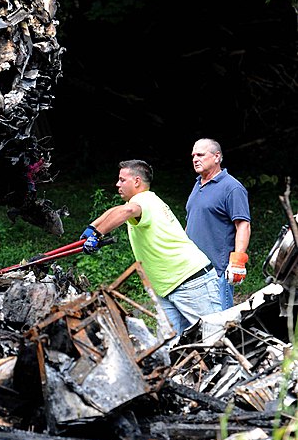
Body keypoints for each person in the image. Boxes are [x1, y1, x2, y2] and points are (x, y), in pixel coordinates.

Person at [80, 159, 222, 335]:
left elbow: (126, 212)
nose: (117, 184)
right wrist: (93, 228)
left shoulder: (143, 201)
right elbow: (117, 210)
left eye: (122, 180)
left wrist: (98, 235)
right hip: (168, 288)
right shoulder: (145, 201)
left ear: (137, 181)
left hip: (190, 282)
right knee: (173, 347)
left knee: (214, 339)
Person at [186, 138, 251, 310]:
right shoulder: (198, 184)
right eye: (193, 155)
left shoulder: (232, 187)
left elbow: (243, 225)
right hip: (192, 270)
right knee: (198, 329)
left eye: (200, 154)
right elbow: (191, 222)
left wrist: (238, 262)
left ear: (216, 157)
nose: (195, 159)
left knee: (220, 326)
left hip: (216, 272)